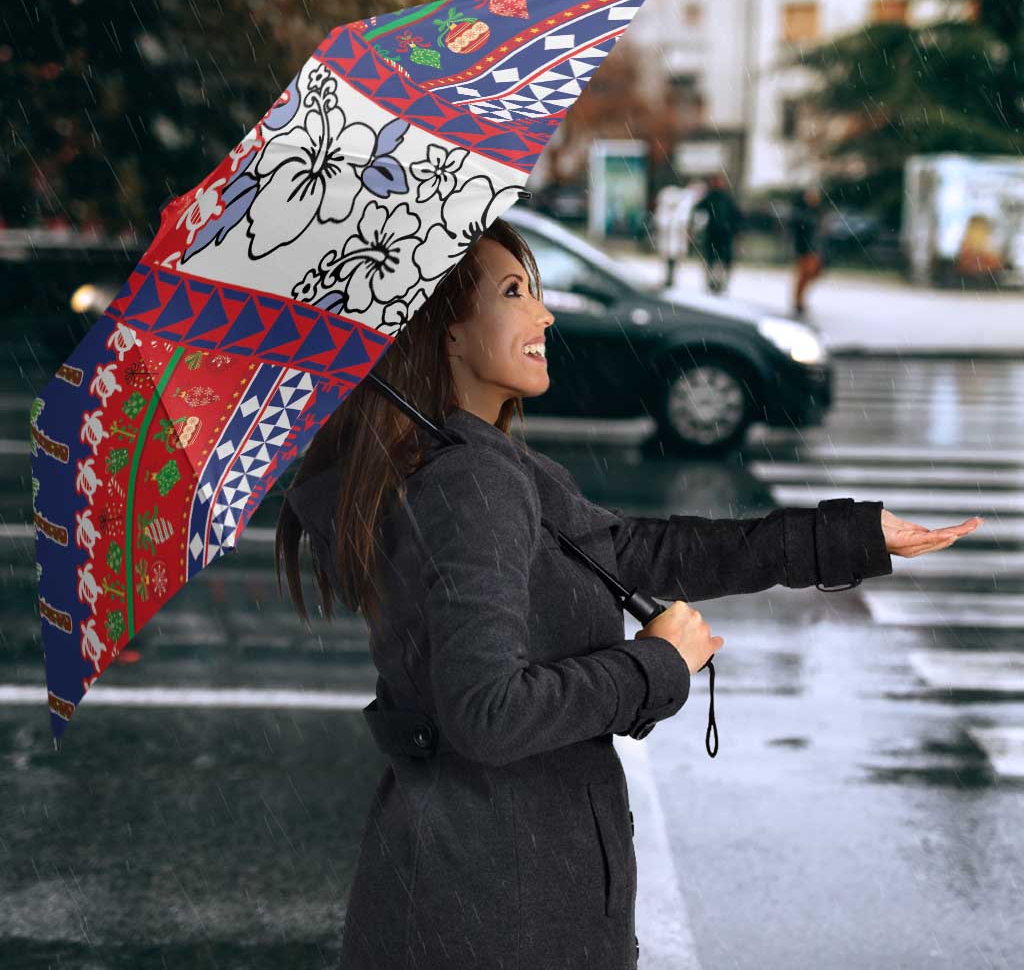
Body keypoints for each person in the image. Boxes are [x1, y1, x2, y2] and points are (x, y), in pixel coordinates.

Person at [276, 217, 981, 970]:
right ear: (446, 332)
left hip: (480, 889)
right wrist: (655, 665)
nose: (544, 314)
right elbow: (487, 714)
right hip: (496, 908)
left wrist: (850, 536)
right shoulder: (469, 482)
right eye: (514, 292)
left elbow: (644, 551)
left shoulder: (481, 466)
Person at [692, 172, 742, 295]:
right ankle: (713, 283)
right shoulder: (712, 197)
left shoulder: (725, 198)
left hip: (723, 234)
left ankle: (719, 283)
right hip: (715, 234)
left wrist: (735, 230)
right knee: (713, 260)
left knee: (720, 261)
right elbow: (698, 210)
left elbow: (736, 216)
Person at [790, 185, 826, 317]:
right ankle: (798, 301)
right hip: (805, 249)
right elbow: (799, 232)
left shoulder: (817, 212)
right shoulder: (802, 213)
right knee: (804, 275)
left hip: (814, 249)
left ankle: (800, 300)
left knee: (812, 274)